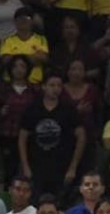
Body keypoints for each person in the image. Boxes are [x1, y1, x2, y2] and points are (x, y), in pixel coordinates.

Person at [19, 71, 85, 199]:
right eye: (52, 85)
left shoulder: (68, 110)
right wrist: (25, 166)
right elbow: (22, 138)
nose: (56, 89)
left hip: (61, 166)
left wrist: (73, 167)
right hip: (37, 165)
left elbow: (81, 136)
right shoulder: (33, 109)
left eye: (59, 86)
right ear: (44, 87)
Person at [0, 7, 49, 84]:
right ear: (15, 22)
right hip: (11, 82)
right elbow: (6, 60)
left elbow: (43, 58)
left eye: (26, 18)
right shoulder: (7, 40)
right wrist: (32, 57)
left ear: (32, 21)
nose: (22, 21)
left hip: (34, 82)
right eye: (19, 19)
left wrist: (16, 58)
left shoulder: (41, 39)